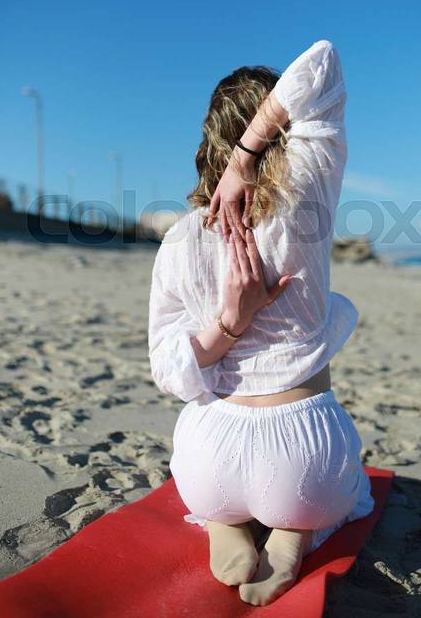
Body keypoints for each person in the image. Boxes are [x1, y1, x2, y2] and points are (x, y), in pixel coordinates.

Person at [147, 38, 375, 606]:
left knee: (204, 464)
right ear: (284, 127)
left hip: (209, 460)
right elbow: (321, 61)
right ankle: (295, 534)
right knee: (351, 486)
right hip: (306, 458)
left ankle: (223, 522)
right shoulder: (306, 192)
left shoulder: (180, 238)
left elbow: (171, 374)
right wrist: (248, 157)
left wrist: (228, 323)